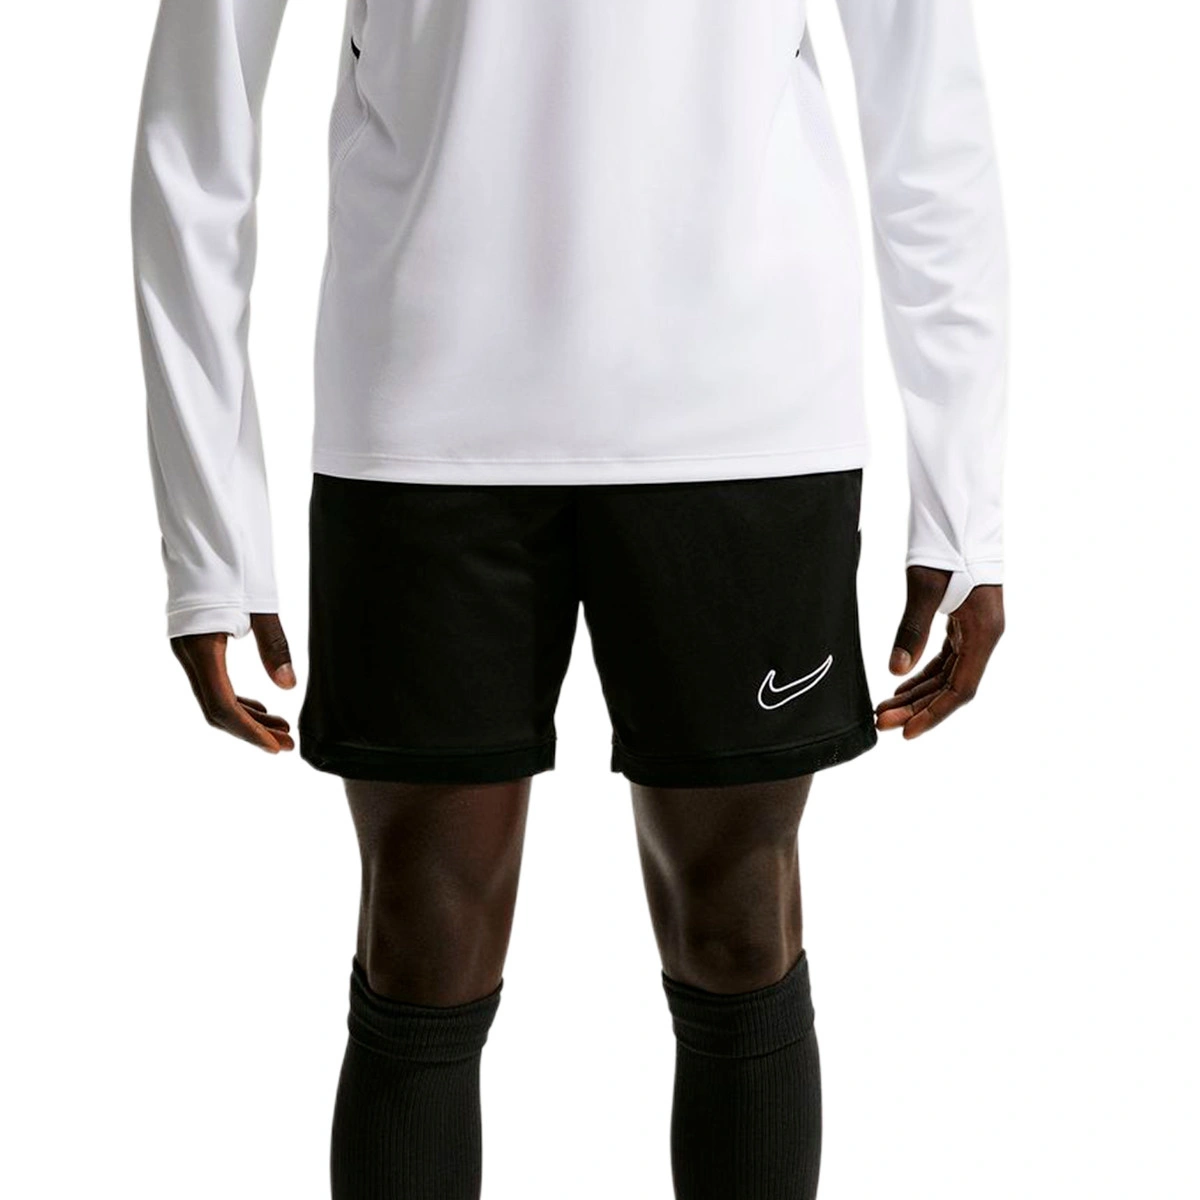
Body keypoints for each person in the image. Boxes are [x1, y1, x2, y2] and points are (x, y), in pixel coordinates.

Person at [130, 1, 1007, 1197]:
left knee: (741, 926)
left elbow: (929, 107)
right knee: (421, 940)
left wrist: (964, 501)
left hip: (738, 412)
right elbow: (198, 123)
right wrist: (208, 537)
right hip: (426, 420)